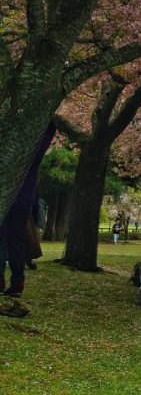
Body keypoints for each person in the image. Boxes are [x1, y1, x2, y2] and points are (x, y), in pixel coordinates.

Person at [0, 123, 56, 297]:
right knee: (16, 242)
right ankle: (17, 283)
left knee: (1, 241)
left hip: (6, 198)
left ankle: (1, 282)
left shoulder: (6, 156)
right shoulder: (31, 157)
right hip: (23, 201)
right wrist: (50, 126)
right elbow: (44, 143)